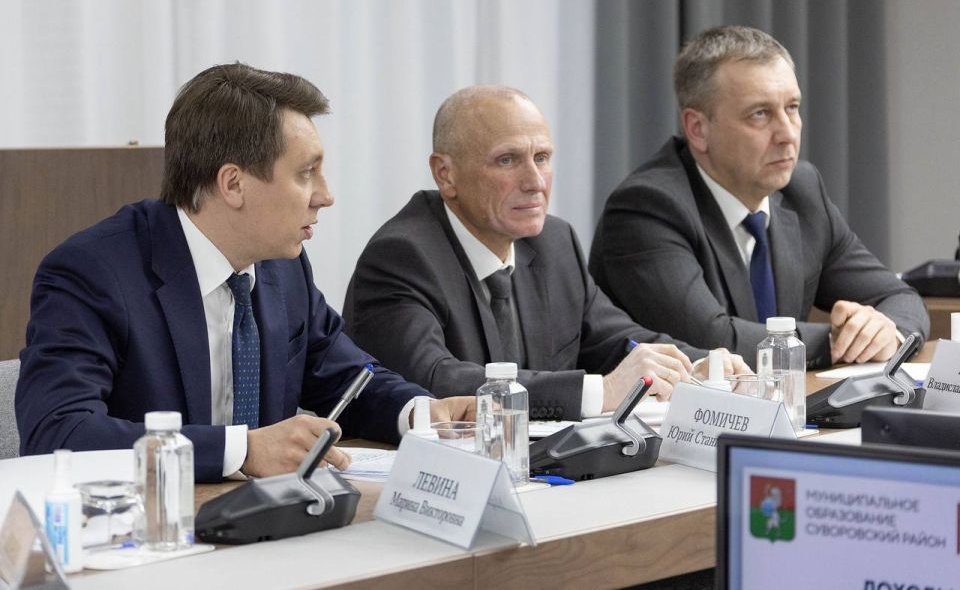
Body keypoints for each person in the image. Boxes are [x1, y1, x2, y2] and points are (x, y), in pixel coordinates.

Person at [16, 63, 473, 482]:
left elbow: (349, 379)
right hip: (149, 527)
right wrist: (242, 450)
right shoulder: (93, 273)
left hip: (265, 523)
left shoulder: (283, 267)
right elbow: (58, 432)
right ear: (233, 184)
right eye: (306, 173)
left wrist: (420, 414)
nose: (326, 195)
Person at [343, 85, 747, 421]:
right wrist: (599, 391)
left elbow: (616, 340)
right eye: (507, 160)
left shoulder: (554, 241)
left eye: (542, 158)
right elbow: (435, 379)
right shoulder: (402, 256)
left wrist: (694, 366)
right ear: (445, 174)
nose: (535, 182)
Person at [589, 26, 929, 369]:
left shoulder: (802, 192)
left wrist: (887, 332)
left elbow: (898, 297)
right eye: (760, 114)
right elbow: (712, 341)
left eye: (792, 108)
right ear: (698, 129)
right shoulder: (646, 208)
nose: (787, 134)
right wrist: (840, 340)